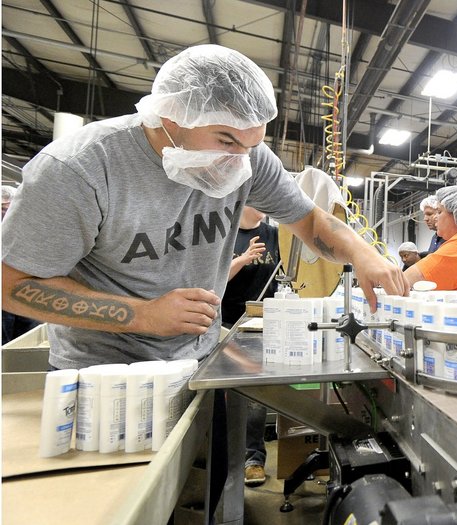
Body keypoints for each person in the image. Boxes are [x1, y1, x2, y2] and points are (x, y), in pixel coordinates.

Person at [1, 44, 407, 512]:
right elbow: (12, 284)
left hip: (199, 363)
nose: (240, 161)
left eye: (251, 145)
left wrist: (364, 253)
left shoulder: (248, 161)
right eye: (226, 141)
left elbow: (311, 223)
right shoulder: (81, 168)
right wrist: (143, 315)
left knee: (214, 491)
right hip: (105, 378)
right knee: (113, 506)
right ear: (170, 116)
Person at [221, 205, 279, 487]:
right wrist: (242, 260)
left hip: (262, 324)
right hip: (225, 324)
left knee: (255, 395)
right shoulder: (224, 232)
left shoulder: (275, 235)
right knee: (220, 396)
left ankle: (253, 459)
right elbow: (212, 280)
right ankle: (219, 459)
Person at [2, 185, 40, 344]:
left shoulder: (28, 226)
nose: (6, 212)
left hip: (26, 290)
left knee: (25, 338)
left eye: (9, 207)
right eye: (3, 208)